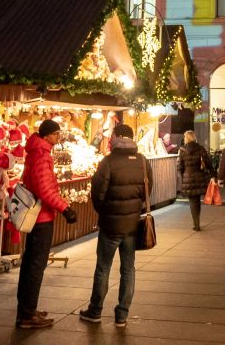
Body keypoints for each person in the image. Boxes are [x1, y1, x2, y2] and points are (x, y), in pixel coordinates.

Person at [79, 122, 148, 328]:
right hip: (132, 225)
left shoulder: (108, 161)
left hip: (110, 224)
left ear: (117, 136)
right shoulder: (142, 161)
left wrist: (103, 210)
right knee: (128, 269)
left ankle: (95, 311)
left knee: (103, 268)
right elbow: (147, 190)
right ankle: (122, 315)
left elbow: (98, 191)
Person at [13, 120, 77, 329]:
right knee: (35, 265)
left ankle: (26, 309)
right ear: (47, 135)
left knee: (31, 263)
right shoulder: (41, 155)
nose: (58, 137)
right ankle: (27, 315)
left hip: (38, 217)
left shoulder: (37, 152)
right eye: (56, 133)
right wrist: (65, 209)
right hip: (41, 218)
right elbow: (44, 189)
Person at [177, 129, 211, 231]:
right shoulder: (201, 148)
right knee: (197, 200)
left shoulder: (182, 150)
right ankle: (197, 221)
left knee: (192, 200)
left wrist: (182, 179)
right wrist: (213, 174)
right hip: (199, 176)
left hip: (188, 177)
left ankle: (196, 223)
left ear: (186, 138)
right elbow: (208, 162)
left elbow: (179, 166)